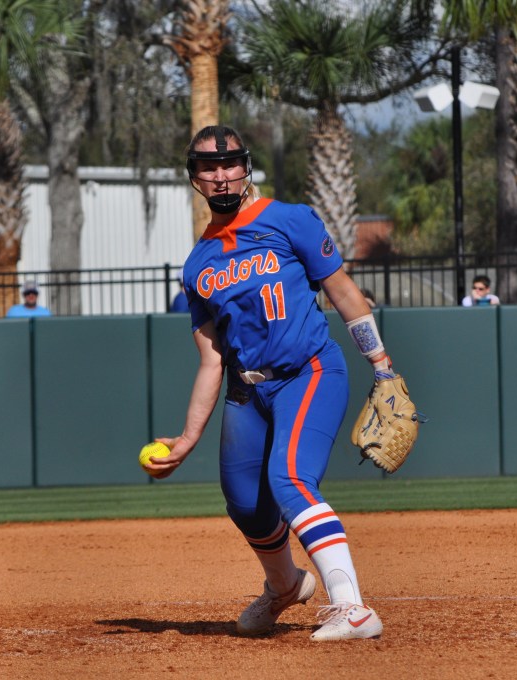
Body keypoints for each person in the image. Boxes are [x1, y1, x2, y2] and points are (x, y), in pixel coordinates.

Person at [147, 125, 408, 642]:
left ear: (246, 167)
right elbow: (211, 360)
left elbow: (344, 293)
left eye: (229, 164)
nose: (221, 176)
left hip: (308, 372)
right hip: (247, 391)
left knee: (289, 479)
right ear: (195, 177)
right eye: (208, 167)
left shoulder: (290, 220)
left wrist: (381, 364)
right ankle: (286, 586)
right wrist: (188, 437)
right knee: (245, 503)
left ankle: (353, 607)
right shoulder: (198, 265)